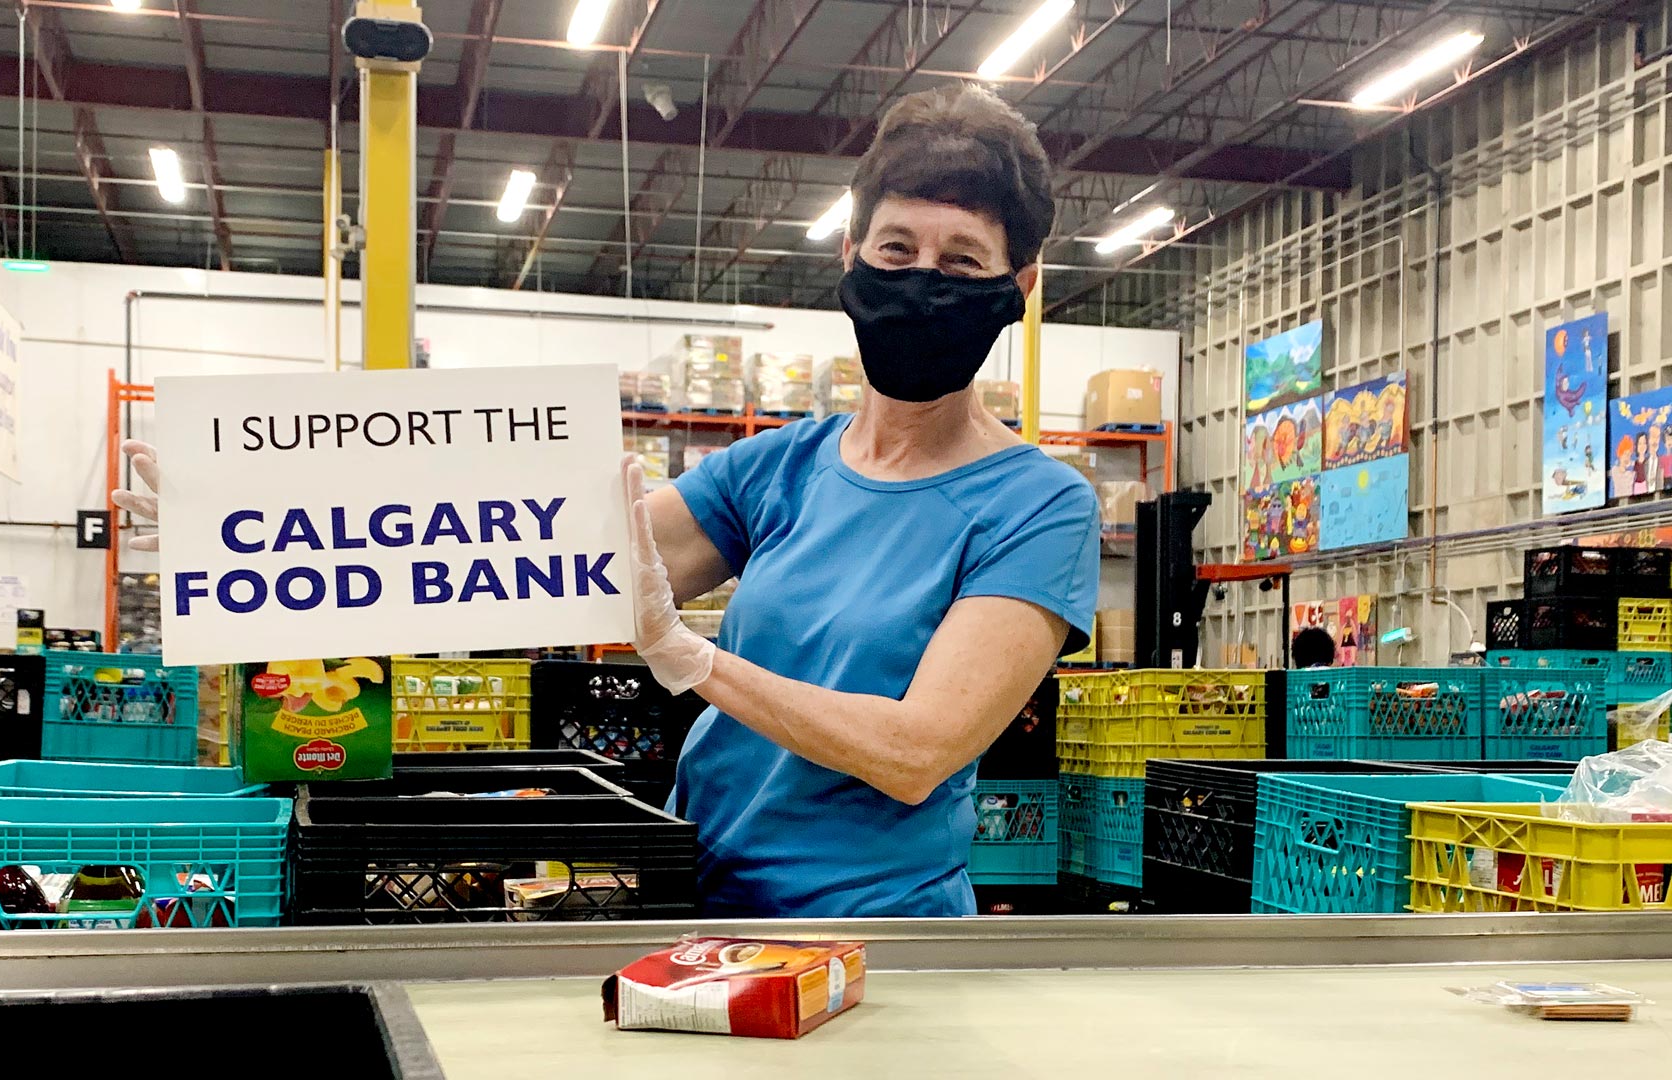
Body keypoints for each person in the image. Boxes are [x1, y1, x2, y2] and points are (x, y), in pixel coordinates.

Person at [112, 83, 1098, 919]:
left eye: (961, 262)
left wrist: (693, 659)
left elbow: (917, 752)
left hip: (870, 936)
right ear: (850, 250)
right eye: (896, 249)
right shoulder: (779, 469)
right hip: (697, 889)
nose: (921, 280)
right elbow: (526, 559)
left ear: (1018, 282)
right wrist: (266, 526)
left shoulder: (1036, 506)